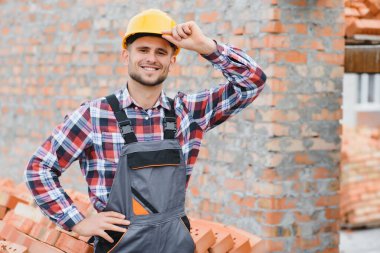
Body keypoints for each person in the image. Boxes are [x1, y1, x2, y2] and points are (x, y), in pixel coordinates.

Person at [25, 9, 266, 253]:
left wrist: (205, 46)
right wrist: (77, 222)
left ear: (172, 61)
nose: (151, 58)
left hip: (175, 245)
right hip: (119, 246)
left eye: (161, 52)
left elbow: (252, 81)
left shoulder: (188, 113)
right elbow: (39, 169)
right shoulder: (94, 115)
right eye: (143, 50)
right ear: (125, 55)